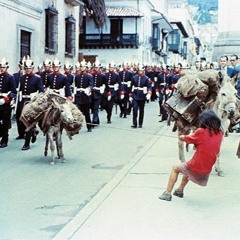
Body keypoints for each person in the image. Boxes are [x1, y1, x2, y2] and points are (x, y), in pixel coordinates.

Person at [159, 109, 223, 201]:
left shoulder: (201, 131)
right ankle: (180, 190)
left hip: (197, 165)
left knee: (175, 168)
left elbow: (189, 138)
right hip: (207, 166)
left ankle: (167, 193)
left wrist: (181, 137)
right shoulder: (220, 133)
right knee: (186, 169)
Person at [16, 56, 44, 150]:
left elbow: (41, 91)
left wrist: (35, 96)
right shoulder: (22, 78)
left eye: (29, 68)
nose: (28, 70)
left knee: (29, 122)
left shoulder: (37, 78)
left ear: (32, 68)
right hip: (23, 101)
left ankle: (26, 143)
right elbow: (20, 90)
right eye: (26, 68)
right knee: (22, 121)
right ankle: (33, 131)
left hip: (32, 102)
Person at [0, 57, 17, 148]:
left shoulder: (10, 77)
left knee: (5, 123)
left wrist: (5, 99)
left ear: (6, 68)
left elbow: (14, 92)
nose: (2, 68)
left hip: (5, 104)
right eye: (0, 67)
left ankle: (4, 140)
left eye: (3, 67)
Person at [74, 60, 93, 132]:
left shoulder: (89, 76)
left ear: (86, 67)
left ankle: (89, 126)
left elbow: (91, 85)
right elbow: (76, 85)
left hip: (85, 96)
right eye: (81, 67)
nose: (82, 68)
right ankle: (77, 128)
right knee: (78, 113)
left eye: (83, 67)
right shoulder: (77, 76)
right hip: (79, 95)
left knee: (86, 112)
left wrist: (88, 89)